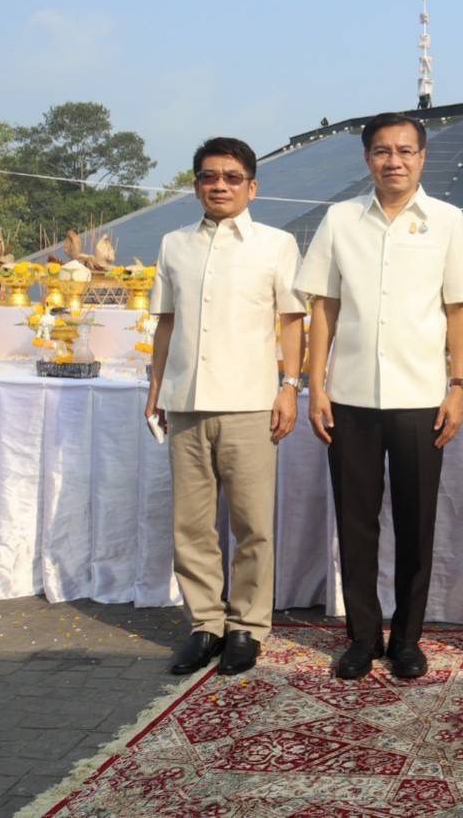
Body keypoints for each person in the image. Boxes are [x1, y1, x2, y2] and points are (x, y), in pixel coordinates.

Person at [295, 114, 463, 681]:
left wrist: (457, 386)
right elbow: (323, 307)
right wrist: (315, 384)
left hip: (421, 397)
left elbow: (457, 312)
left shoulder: (446, 221)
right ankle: (362, 636)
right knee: (356, 522)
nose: (393, 161)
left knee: (417, 523)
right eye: (381, 151)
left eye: (404, 151)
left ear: (422, 157)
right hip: (350, 396)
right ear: (367, 158)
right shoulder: (340, 219)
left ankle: (408, 638)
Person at [146, 137, 306, 677]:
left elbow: (291, 320)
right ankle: (205, 624)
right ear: (196, 185)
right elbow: (166, 322)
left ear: (252, 187)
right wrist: (156, 386)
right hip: (187, 401)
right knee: (191, 524)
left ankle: (247, 626)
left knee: (251, 523)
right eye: (209, 177)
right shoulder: (174, 245)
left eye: (232, 177)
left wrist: (289, 386)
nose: (220, 186)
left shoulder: (276, 244)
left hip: (250, 403)